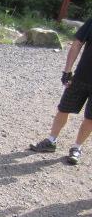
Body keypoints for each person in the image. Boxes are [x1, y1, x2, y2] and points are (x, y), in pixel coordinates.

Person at [30, 18, 92, 165]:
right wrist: (67, 71)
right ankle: (51, 141)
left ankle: (77, 148)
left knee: (90, 118)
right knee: (63, 109)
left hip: (81, 77)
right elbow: (77, 43)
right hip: (81, 77)